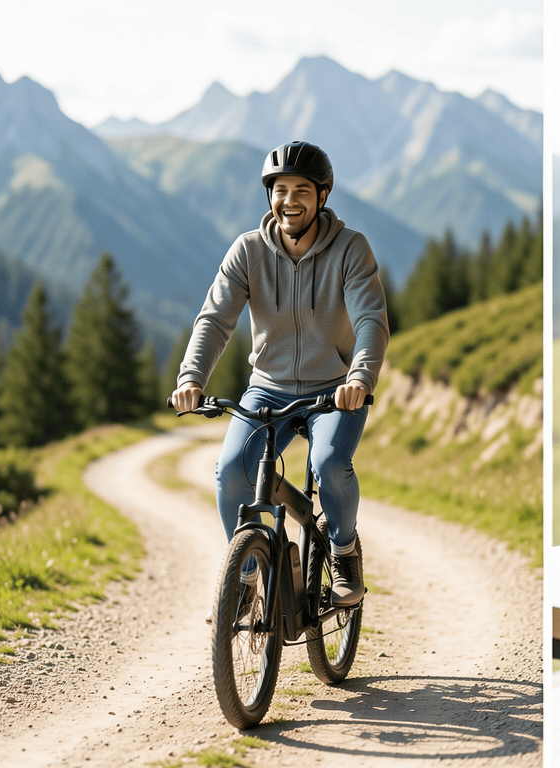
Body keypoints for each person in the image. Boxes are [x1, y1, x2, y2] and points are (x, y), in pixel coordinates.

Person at [171, 140, 388, 615]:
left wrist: (361, 377)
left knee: (329, 464)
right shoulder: (248, 251)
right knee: (231, 473)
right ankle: (246, 578)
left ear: (322, 196)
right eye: (280, 189)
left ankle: (344, 552)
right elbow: (215, 319)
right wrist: (191, 377)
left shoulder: (350, 249)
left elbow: (371, 319)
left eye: (301, 190)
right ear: (269, 195)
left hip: (335, 390)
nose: (289, 200)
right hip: (266, 389)